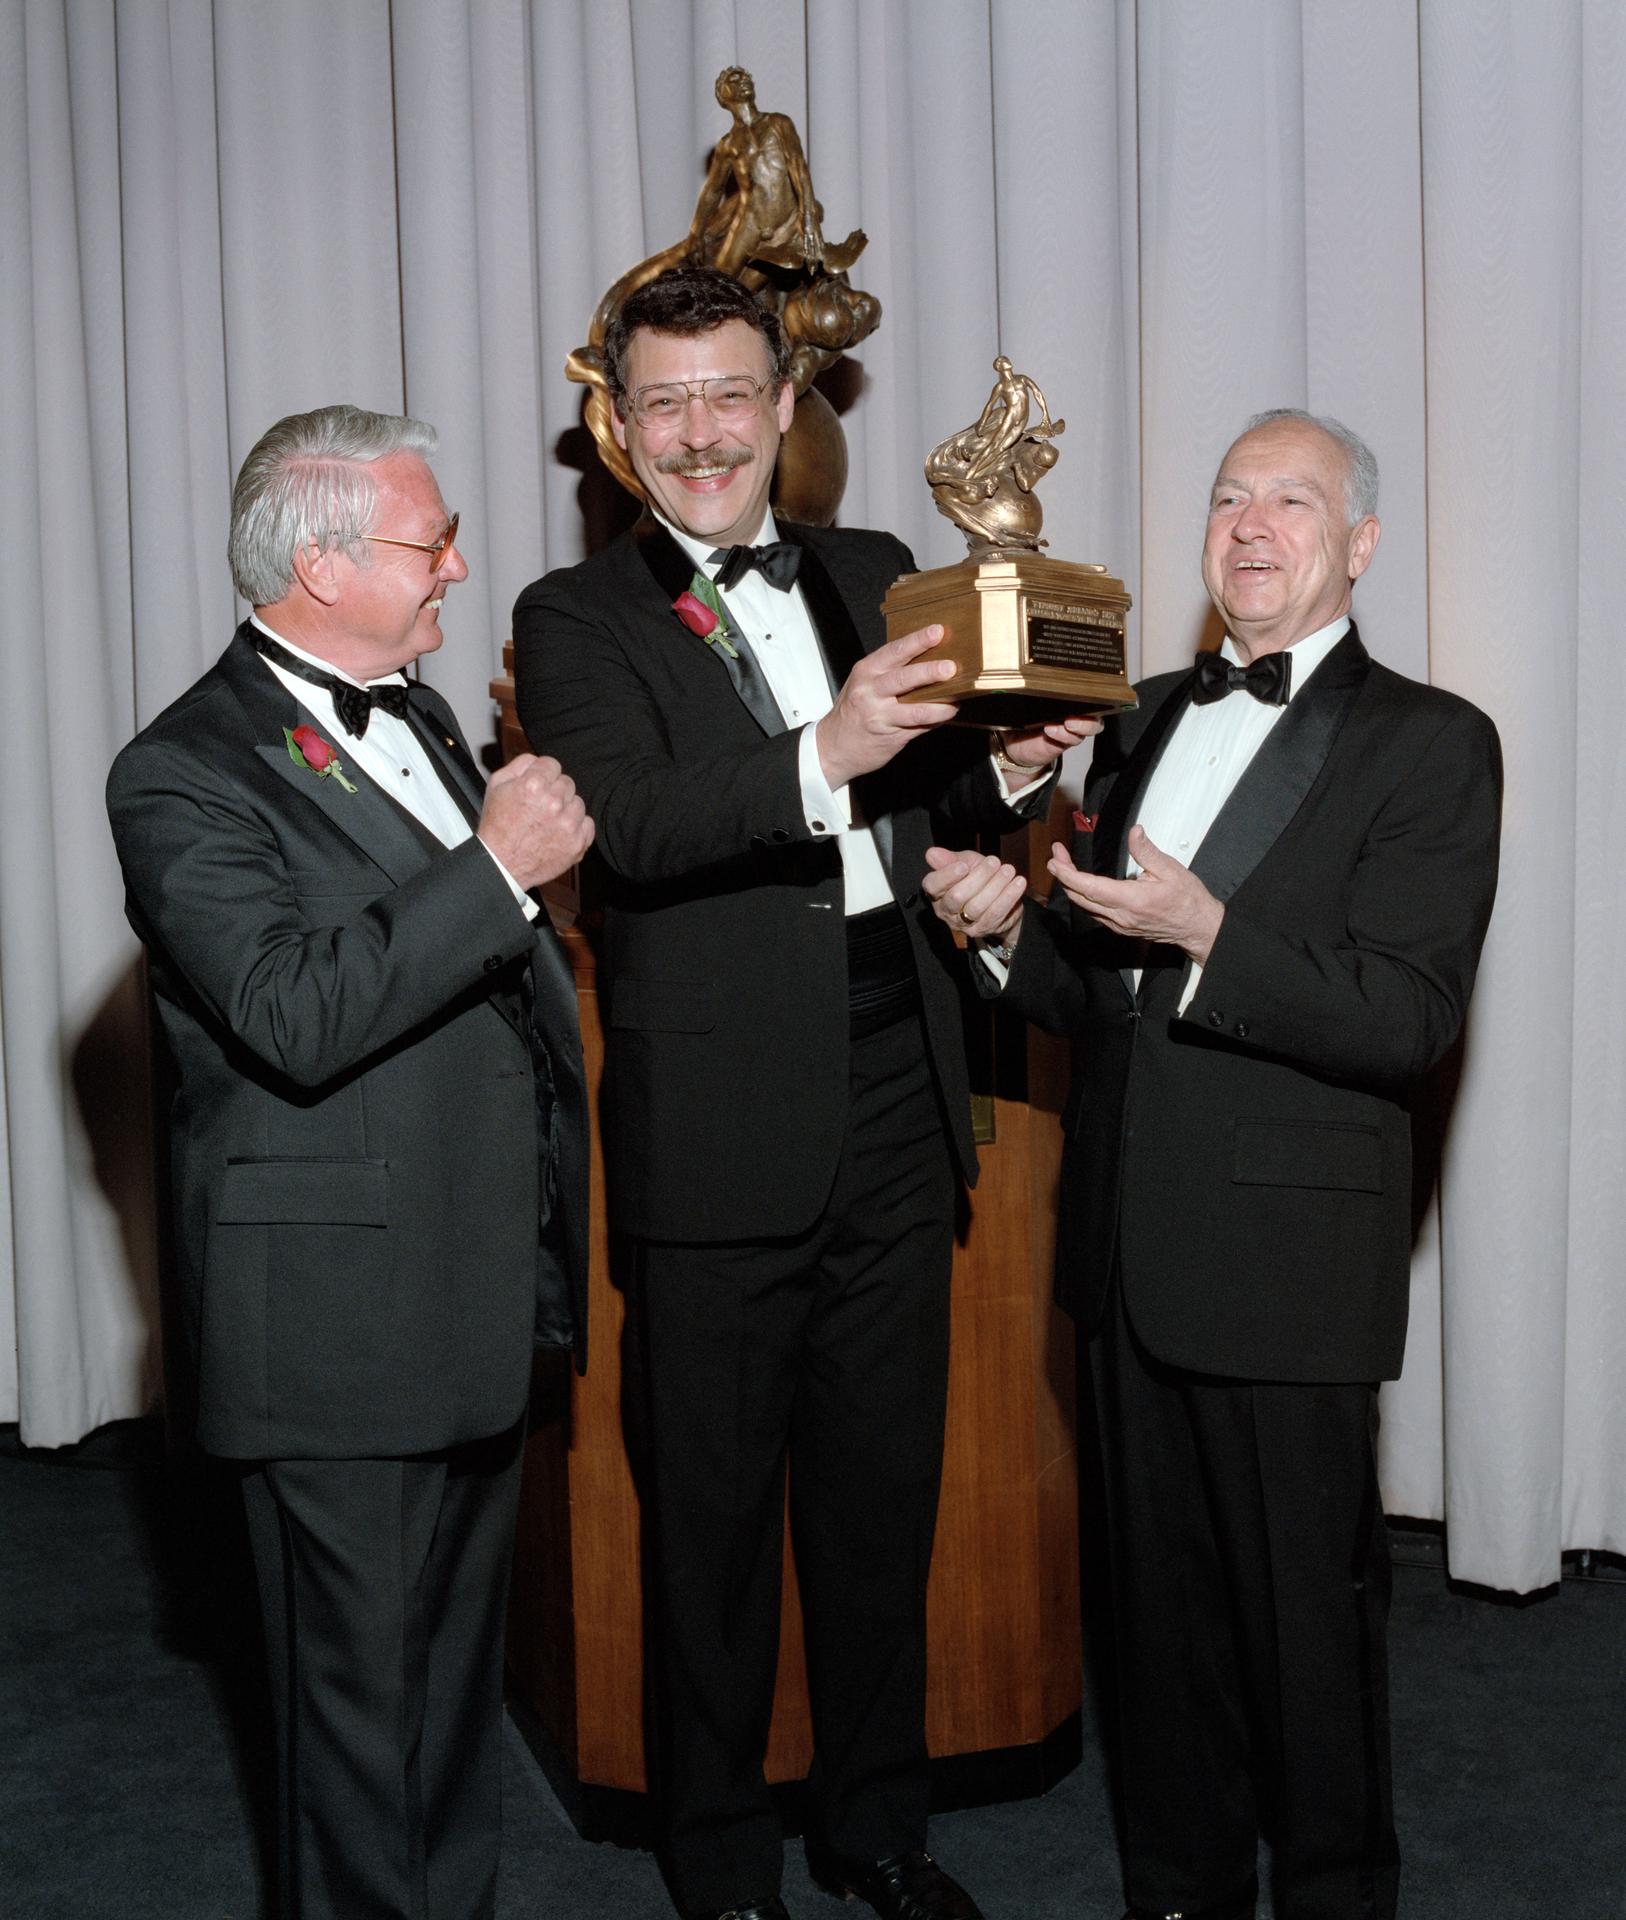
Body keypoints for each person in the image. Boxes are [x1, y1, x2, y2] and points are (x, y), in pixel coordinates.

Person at [513, 265, 1091, 1920]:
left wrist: (999, 772)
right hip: (708, 1130)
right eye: (663, 401)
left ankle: (877, 1832)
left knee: (877, 1500)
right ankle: (719, 1867)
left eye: (728, 394)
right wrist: (817, 753)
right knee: (703, 1523)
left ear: (786, 408)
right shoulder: (576, 621)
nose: (700, 432)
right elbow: (630, 828)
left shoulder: (872, 571)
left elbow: (911, 809)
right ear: (619, 431)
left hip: (899, 1094)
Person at [924, 409, 1502, 1920]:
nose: (1249, 525)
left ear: (1357, 545)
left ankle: (1331, 1895)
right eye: (1227, 497)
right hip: (1120, 1253)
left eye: (1290, 501)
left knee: (1303, 1633)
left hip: (1287, 1267)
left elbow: (1406, 1015)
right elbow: (1090, 998)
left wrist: (1210, 935)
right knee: (1154, 1632)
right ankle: (1173, 1892)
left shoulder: (1433, 743)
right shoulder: (1136, 716)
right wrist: (998, 941)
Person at [106, 404, 594, 1920]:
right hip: (334, 1328)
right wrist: (499, 867)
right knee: (357, 1733)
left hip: (464, 1293)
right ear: (321, 564)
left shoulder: (427, 717)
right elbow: (293, 1014)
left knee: (447, 1715)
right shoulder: (181, 770)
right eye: (430, 538)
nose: (458, 565)